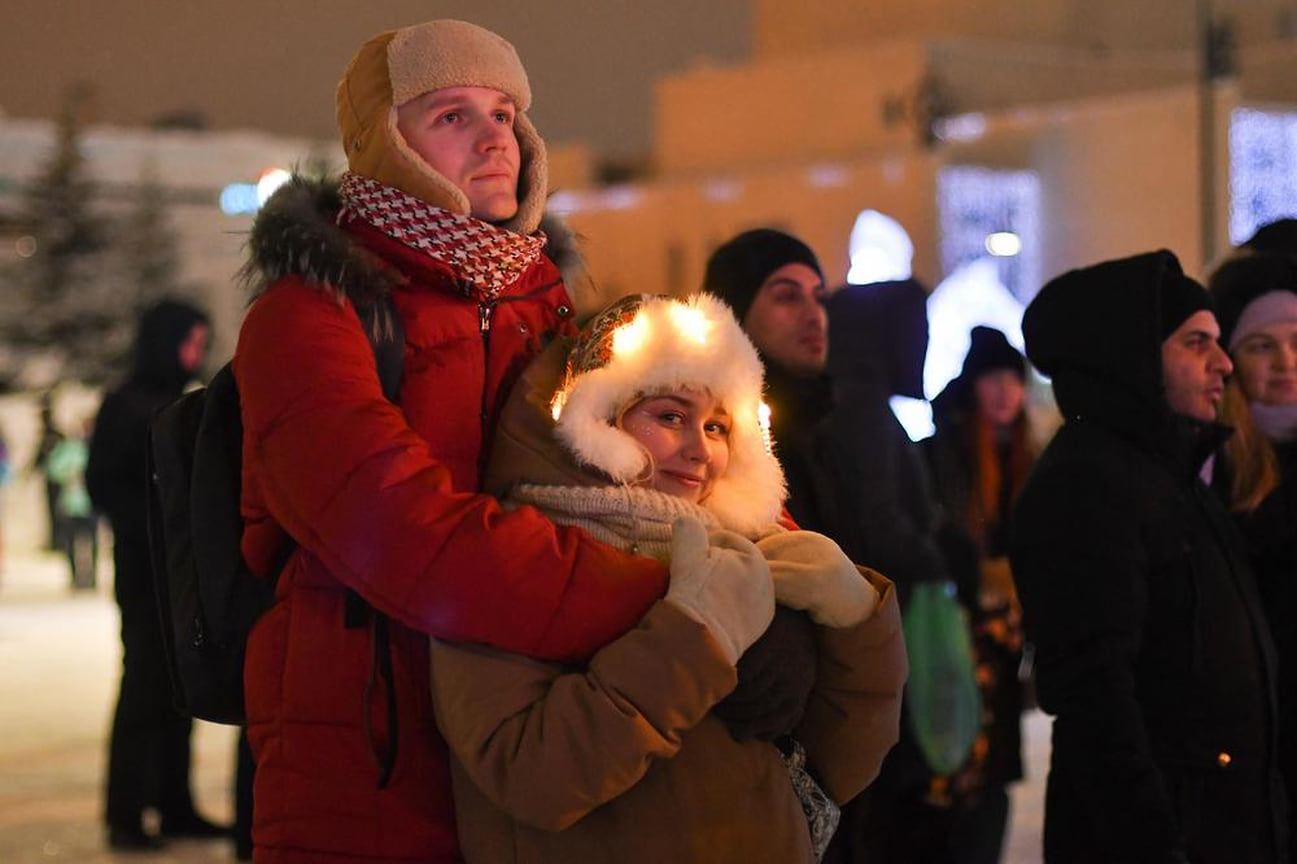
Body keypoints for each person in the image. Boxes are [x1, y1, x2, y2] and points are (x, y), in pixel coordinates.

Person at [232, 20, 789, 863]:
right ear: (383, 142)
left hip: (530, 751)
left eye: (504, 112)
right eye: (450, 115)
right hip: (372, 762)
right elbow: (406, 535)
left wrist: (777, 586)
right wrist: (685, 610)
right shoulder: (309, 316)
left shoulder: (553, 309)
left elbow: (667, 478)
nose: (494, 136)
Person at [429, 292, 905, 863]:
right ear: (599, 416)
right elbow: (533, 776)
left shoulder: (749, 556)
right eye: (670, 416)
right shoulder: (509, 556)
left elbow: (841, 769)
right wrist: (693, 637)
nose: (699, 450)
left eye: (719, 426)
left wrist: (857, 627)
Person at [1011, 250, 1286, 863]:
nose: (1224, 365)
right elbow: (1095, 701)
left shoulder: (1172, 475)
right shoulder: (1086, 485)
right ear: (1129, 355)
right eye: (1195, 343)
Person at [704, 229, 951, 862]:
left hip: (861, 717)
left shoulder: (840, 414)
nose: (814, 315)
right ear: (732, 310)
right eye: (786, 296)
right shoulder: (715, 439)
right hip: (779, 739)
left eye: (818, 295)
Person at [86, 298, 222, 852]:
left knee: (178, 683)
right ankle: (126, 814)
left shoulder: (178, 402)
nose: (196, 352)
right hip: (145, 571)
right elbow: (104, 485)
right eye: (190, 340)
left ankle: (174, 804)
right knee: (143, 686)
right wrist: (153, 519)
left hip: (178, 570)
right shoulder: (127, 406)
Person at [923, 326, 1036, 863]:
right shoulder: (946, 452)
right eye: (993, 379)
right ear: (973, 387)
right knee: (956, 763)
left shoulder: (1024, 457)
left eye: (1013, 379)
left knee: (991, 774)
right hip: (956, 632)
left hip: (1004, 637)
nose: (1005, 392)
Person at [1208, 252, 1297, 860]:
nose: (1286, 363)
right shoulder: (1214, 461)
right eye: (1263, 345)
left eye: (1296, 341)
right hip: (1254, 728)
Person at [45, 420, 99, 590]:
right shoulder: (68, 450)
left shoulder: (91, 449)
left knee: (90, 543)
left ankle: (90, 578)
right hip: (72, 504)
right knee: (73, 544)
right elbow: (53, 470)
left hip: (87, 504)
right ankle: (77, 578)